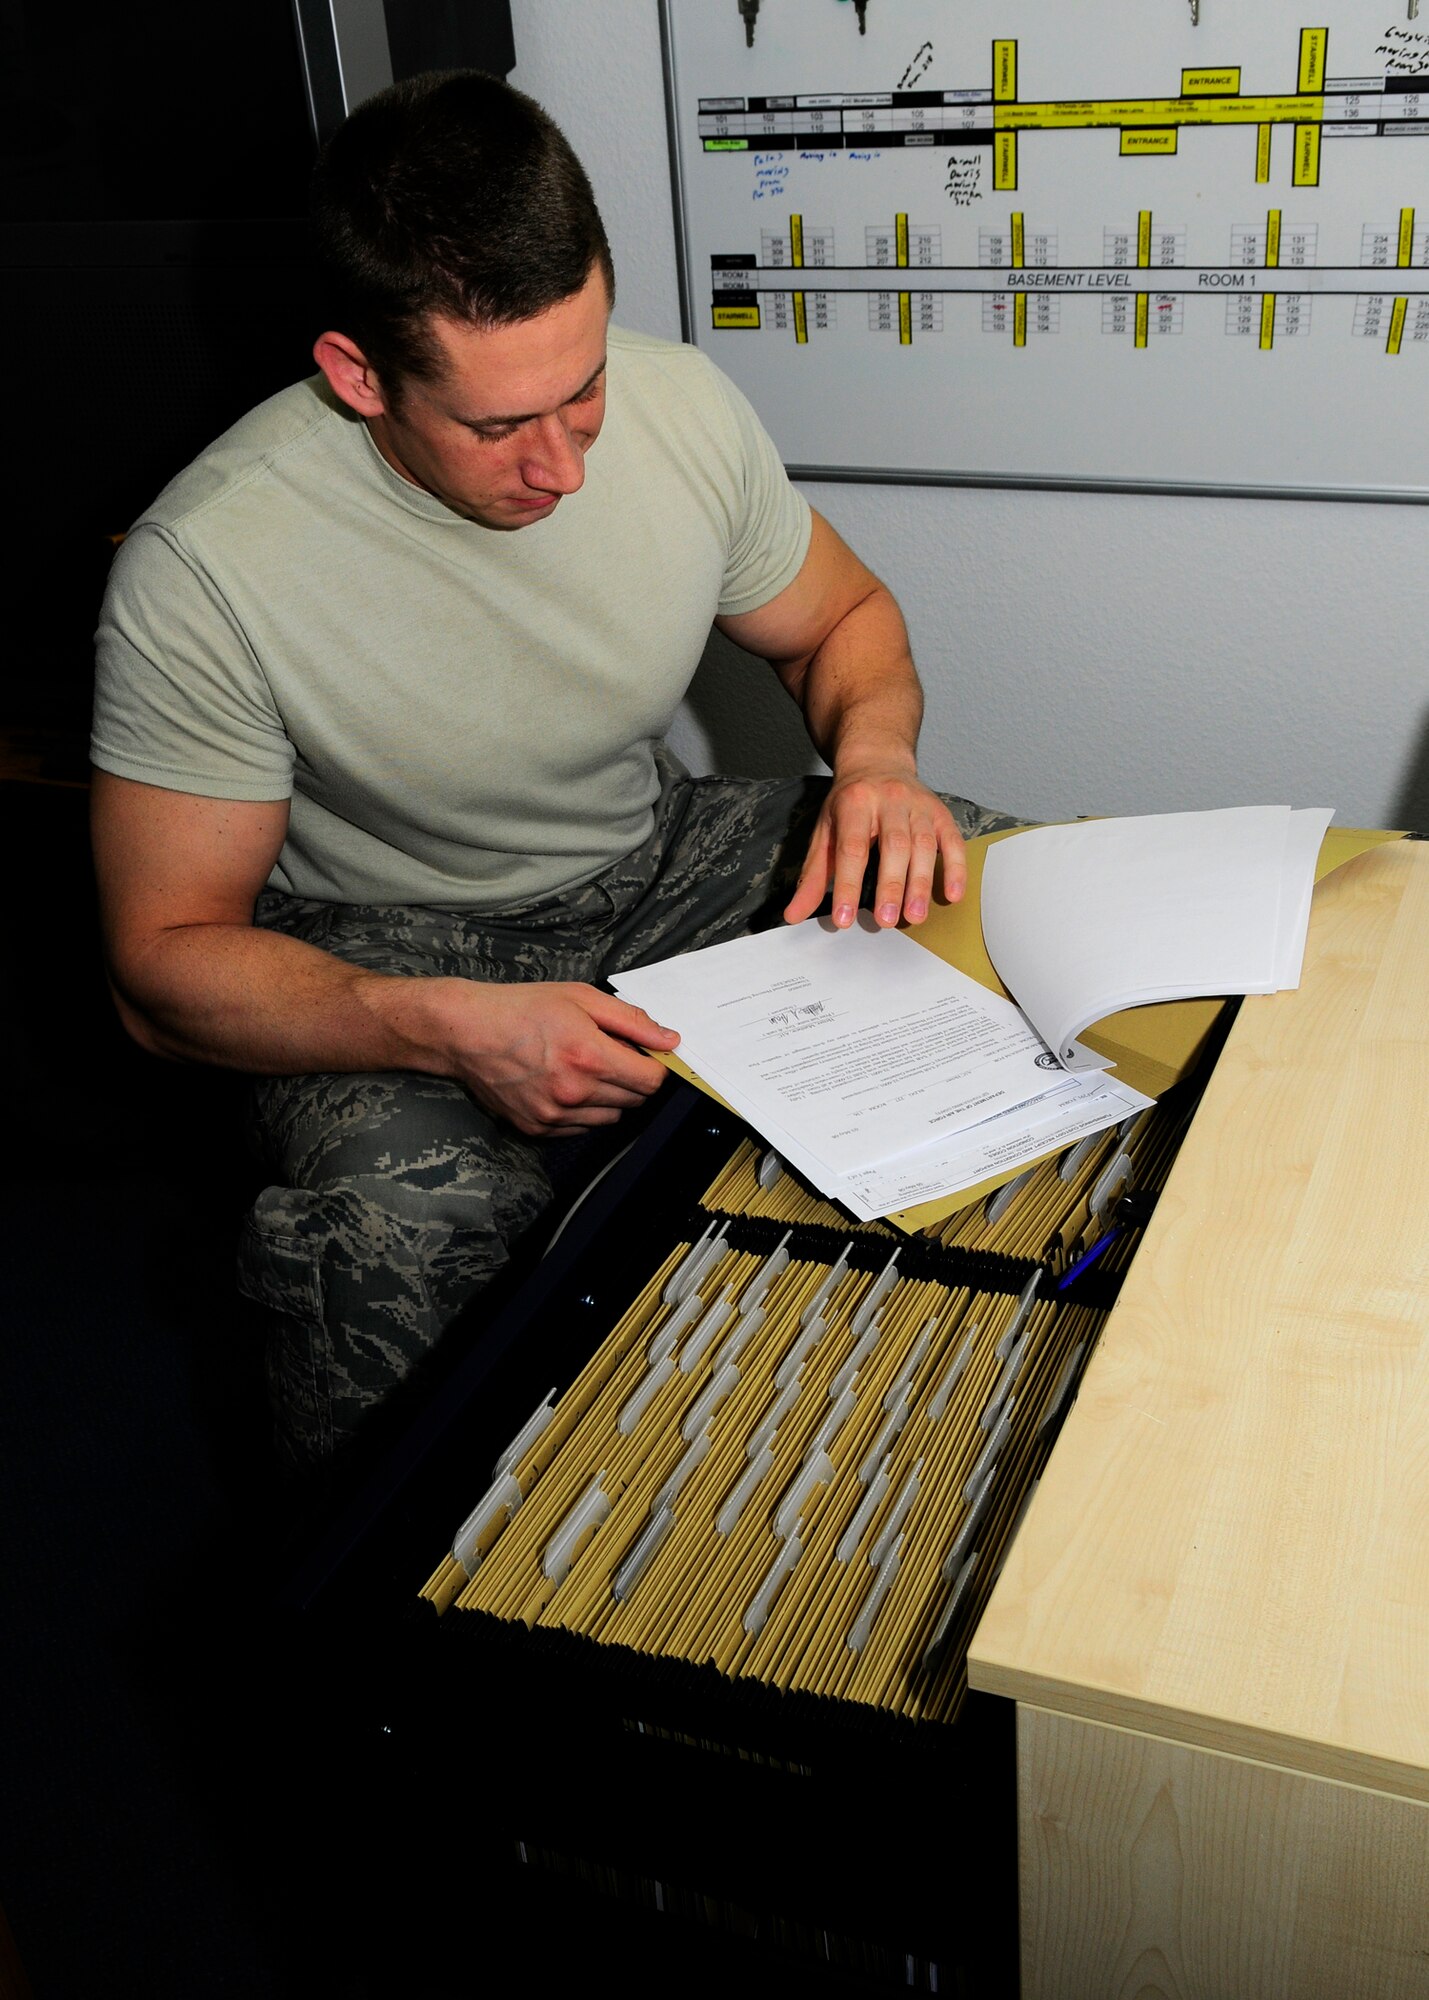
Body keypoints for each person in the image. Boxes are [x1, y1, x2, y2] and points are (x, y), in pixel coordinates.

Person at [91, 70, 1017, 1465]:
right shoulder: (207, 567)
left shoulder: (678, 407)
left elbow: (840, 620)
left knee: (1005, 903)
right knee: (402, 1227)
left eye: (579, 392)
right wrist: (445, 1025)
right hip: (386, 937)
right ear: (358, 376)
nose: (563, 465)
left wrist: (878, 761)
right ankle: (405, 1638)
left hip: (646, 859)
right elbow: (160, 971)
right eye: (493, 426)